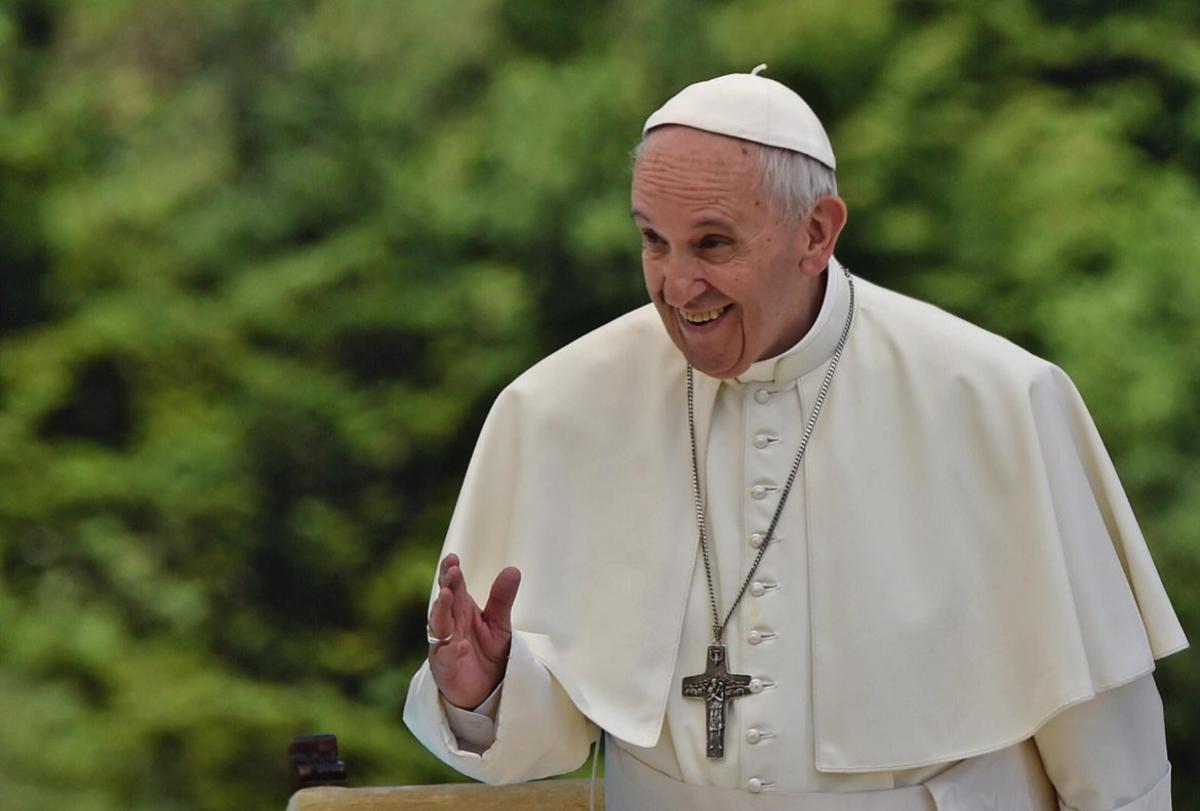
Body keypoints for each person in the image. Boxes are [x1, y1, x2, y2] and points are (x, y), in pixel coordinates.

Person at [403, 67, 1187, 809]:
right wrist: (488, 686)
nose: (677, 286)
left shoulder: (996, 398)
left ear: (816, 232)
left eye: (713, 244)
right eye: (654, 240)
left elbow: (1103, 727)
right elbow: (556, 730)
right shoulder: (559, 406)